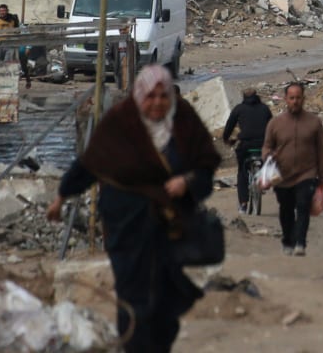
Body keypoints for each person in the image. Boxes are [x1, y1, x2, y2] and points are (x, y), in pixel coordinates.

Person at [46, 65, 221, 353]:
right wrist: (61, 196)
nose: (156, 103)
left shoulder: (184, 125)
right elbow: (90, 164)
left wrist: (187, 182)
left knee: (165, 298)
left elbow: (205, 171)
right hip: (125, 226)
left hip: (169, 229)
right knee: (132, 294)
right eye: (150, 96)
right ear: (139, 96)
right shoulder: (119, 125)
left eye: (163, 96)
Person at [262, 81, 323, 257]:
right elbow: (266, 147)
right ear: (285, 99)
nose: (295, 101)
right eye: (291, 98)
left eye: (298, 98)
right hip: (282, 176)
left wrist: (322, 177)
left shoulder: (314, 123)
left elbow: (321, 150)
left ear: (303, 99)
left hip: (307, 174)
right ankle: (288, 241)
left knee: (303, 206)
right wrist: (268, 156)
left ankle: (300, 242)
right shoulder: (275, 123)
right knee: (286, 210)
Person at [221, 85, 272, 214]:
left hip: (246, 145)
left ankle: (243, 204)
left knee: (242, 172)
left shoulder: (239, 109)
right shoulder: (265, 108)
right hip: (262, 144)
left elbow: (229, 126)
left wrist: (226, 139)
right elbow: (272, 126)